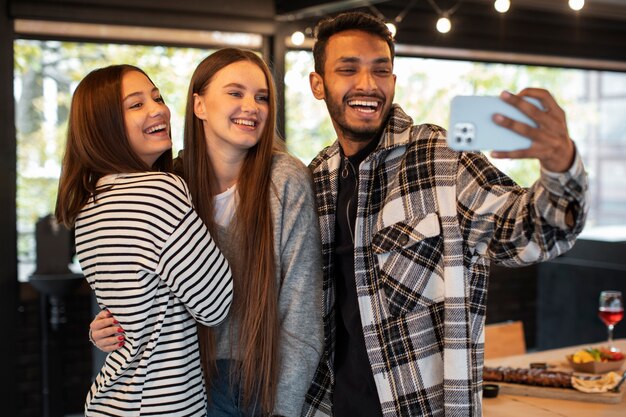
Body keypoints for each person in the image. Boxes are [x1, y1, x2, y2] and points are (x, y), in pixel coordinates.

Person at [301, 11, 587, 417]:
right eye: (348, 69)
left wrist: (562, 168)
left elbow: (529, 231)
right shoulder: (317, 178)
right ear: (318, 84)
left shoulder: (440, 159)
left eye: (380, 71)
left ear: (393, 82)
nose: (367, 84)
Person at [89, 49, 324, 417]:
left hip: (262, 380)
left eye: (261, 97)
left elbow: (301, 313)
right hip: (184, 383)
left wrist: (283, 408)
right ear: (198, 104)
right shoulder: (170, 186)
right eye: (236, 93)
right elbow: (138, 289)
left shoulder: (285, 180)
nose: (252, 106)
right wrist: (105, 326)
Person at [54, 64, 233, 416]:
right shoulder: (159, 191)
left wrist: (100, 330)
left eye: (157, 97)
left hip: (113, 399)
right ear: (103, 126)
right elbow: (214, 305)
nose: (158, 110)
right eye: (135, 105)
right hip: (158, 403)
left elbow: (131, 308)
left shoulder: (88, 204)